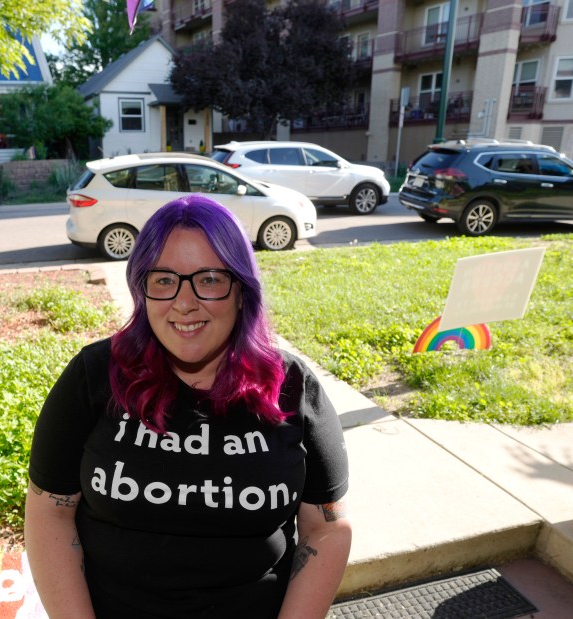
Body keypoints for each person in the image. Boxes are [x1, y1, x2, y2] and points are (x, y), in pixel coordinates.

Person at [25, 194, 352, 619]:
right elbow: (49, 513)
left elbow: (325, 530)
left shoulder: (291, 387)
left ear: (241, 290)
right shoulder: (95, 375)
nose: (184, 302)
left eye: (210, 279)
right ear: (142, 289)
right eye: (163, 280)